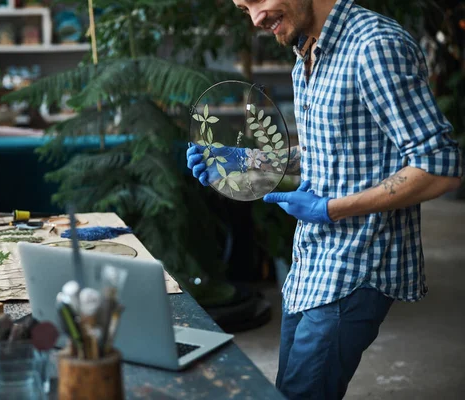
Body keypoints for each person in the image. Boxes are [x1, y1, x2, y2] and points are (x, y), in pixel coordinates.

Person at [186, 0, 463, 398]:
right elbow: (322, 153)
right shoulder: (307, 55)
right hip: (312, 263)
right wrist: (240, 159)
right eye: (244, 8)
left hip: (357, 263)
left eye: (258, 0)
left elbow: (440, 166)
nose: (256, 18)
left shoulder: (374, 46)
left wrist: (330, 209)